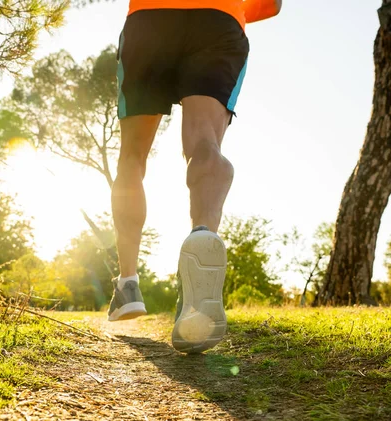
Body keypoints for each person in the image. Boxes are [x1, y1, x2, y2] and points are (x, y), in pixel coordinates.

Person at [107, 0, 282, 353]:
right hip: (219, 19)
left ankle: (127, 284)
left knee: (132, 158)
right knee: (205, 145)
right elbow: (272, 4)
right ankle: (202, 240)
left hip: (149, 19)